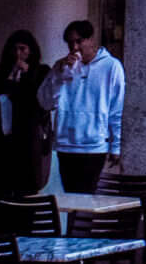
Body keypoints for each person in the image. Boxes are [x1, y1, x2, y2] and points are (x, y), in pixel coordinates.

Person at [39, 20, 122, 194]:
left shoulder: (111, 67)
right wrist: (60, 76)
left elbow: (116, 110)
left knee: (87, 197)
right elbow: (46, 103)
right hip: (65, 143)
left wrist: (116, 146)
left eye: (78, 41)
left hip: (94, 144)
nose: (74, 47)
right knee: (71, 197)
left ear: (91, 39)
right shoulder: (60, 67)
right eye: (70, 43)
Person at [0, 30, 47, 222]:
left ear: (31, 51)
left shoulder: (40, 73)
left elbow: (37, 106)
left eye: (22, 49)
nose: (18, 54)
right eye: (14, 49)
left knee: (25, 206)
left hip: (26, 148)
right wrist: (9, 80)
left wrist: (24, 79)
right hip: (3, 147)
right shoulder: (0, 76)